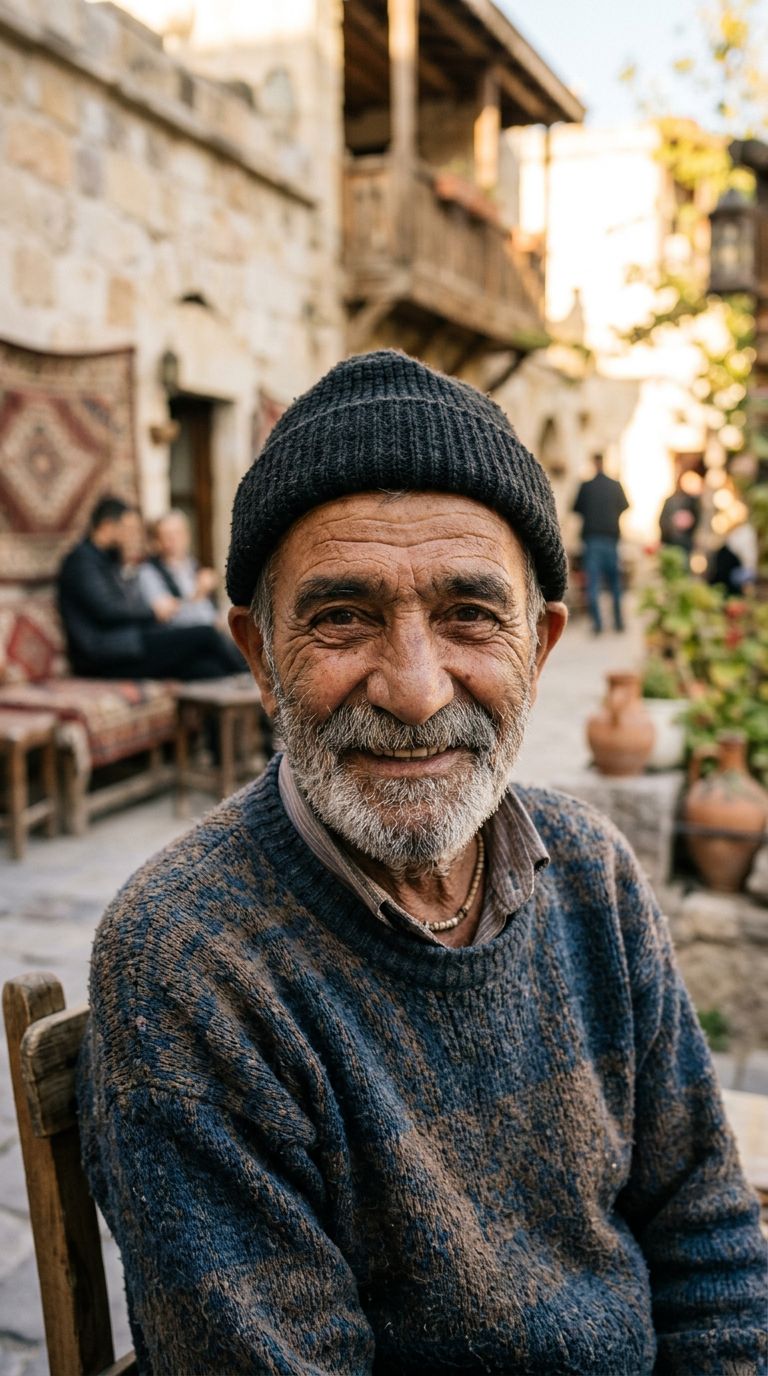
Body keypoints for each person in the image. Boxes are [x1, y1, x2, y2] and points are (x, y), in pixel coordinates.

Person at [78, 354, 767, 1376]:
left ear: (541, 646)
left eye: (470, 616)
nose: (412, 687)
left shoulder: (592, 868)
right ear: (261, 656)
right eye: (343, 616)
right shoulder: (187, 959)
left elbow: (706, 1227)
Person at [58, 496, 243, 680]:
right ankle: (258, 681)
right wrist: (153, 612)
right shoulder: (82, 562)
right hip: (106, 656)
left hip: (129, 644)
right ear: (107, 527)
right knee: (206, 633)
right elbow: (107, 610)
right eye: (127, 530)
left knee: (207, 669)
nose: (131, 537)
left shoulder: (107, 560)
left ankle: (254, 699)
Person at [572, 453, 629, 634]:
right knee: (615, 584)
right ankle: (618, 623)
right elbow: (625, 506)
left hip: (592, 539)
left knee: (593, 584)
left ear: (593, 463)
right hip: (611, 538)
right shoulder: (615, 485)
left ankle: (598, 625)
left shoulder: (586, 486)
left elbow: (576, 508)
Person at [136, 509, 221, 629]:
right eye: (167, 535)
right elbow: (166, 616)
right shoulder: (148, 571)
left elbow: (210, 612)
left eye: (178, 533)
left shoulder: (194, 565)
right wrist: (198, 594)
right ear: (157, 541)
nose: (174, 539)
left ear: (188, 535)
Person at [659, 472, 701, 555]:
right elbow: (662, 521)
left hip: (686, 543)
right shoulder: (670, 500)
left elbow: (698, 522)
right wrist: (673, 523)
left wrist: (690, 522)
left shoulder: (694, 503)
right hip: (670, 542)